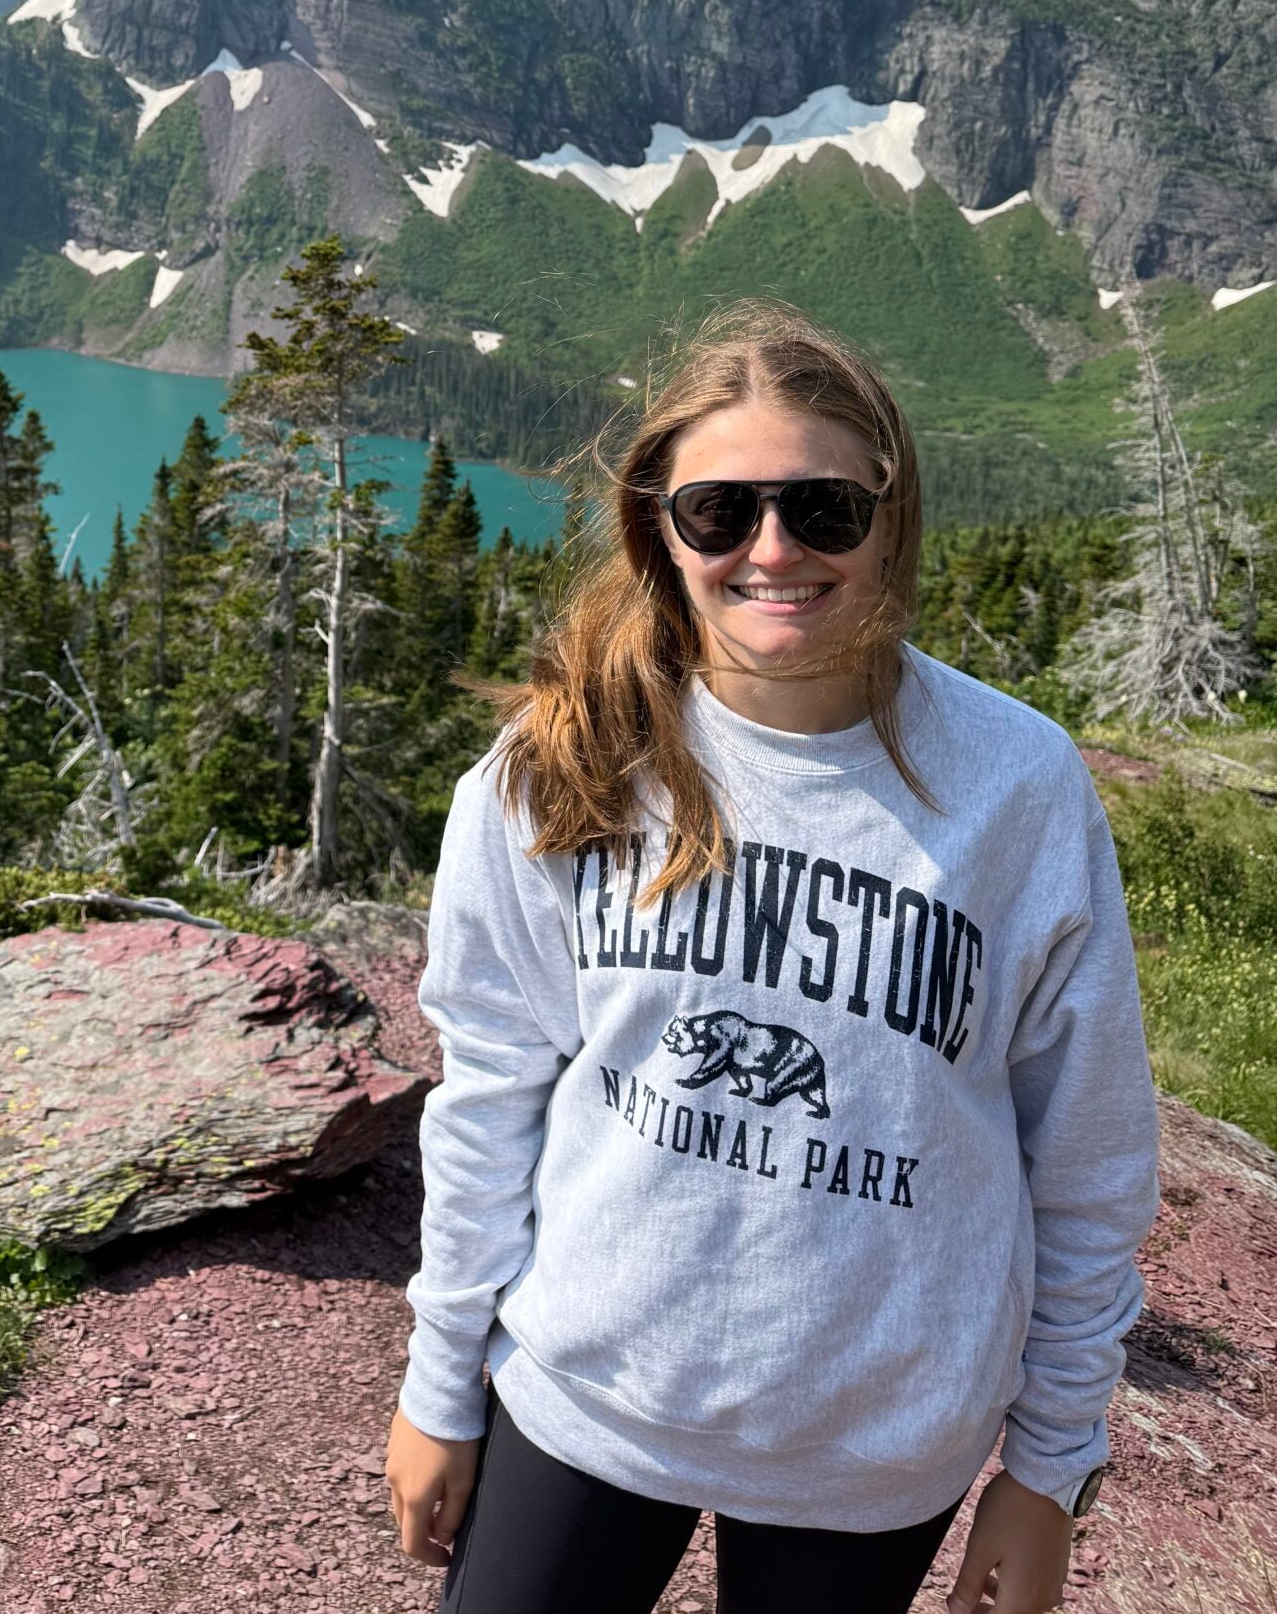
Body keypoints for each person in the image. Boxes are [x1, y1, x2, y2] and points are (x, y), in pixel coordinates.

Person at [385, 299, 1158, 1614]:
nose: (772, 549)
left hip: (873, 1444)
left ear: (888, 517)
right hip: (587, 1395)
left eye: (824, 511)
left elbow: (1085, 1161)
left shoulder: (1018, 788)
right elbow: (490, 1097)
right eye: (719, 513)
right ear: (657, 529)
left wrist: (1052, 1469)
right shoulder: (563, 765)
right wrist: (440, 1377)